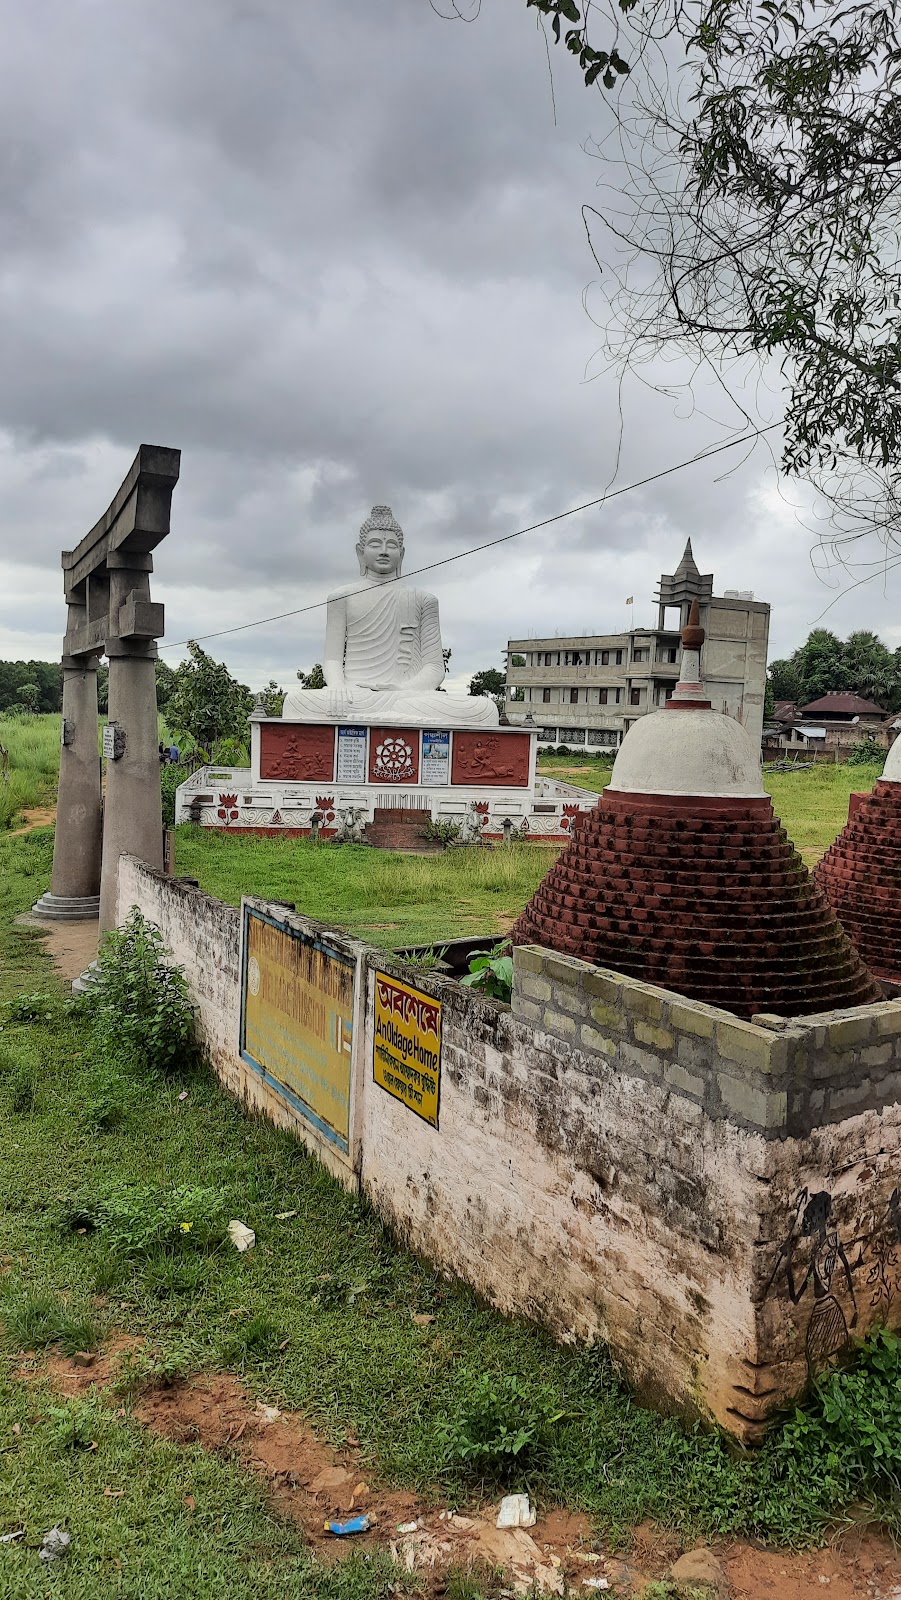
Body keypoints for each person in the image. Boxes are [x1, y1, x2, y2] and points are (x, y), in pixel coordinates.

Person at [281, 506, 498, 727]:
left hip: (407, 696)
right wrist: (337, 688)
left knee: (484, 709)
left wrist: (403, 689)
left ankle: (392, 711)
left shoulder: (424, 599)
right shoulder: (342, 597)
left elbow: (434, 668)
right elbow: (332, 659)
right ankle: (390, 712)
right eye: (375, 544)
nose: (384, 551)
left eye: (391, 545)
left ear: (401, 554)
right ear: (360, 551)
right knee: (296, 702)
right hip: (355, 695)